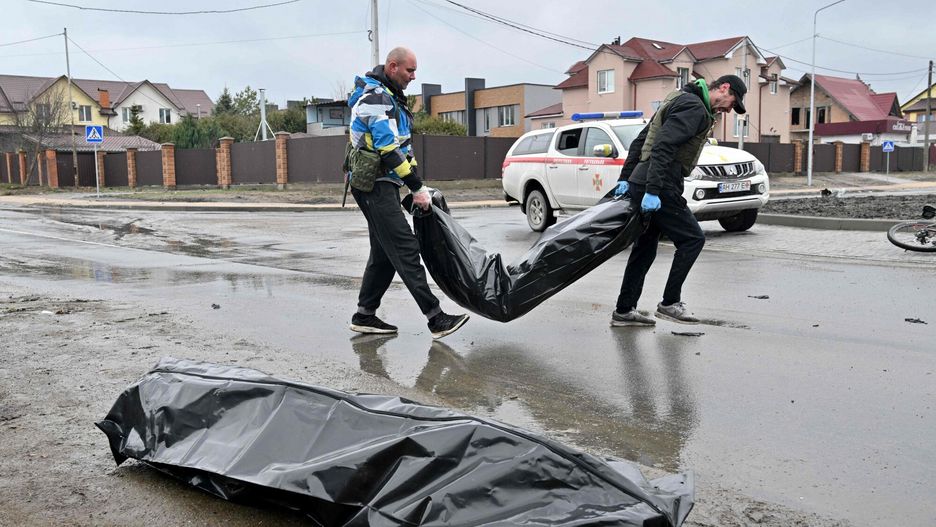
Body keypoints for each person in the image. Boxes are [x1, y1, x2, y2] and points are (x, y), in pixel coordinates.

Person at [346, 47, 469, 339]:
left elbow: (404, 149)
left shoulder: (392, 99)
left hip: (383, 183)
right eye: (409, 71)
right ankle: (435, 318)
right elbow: (388, 149)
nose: (414, 77)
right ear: (392, 67)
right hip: (373, 185)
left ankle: (364, 315)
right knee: (404, 247)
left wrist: (418, 186)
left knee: (384, 253)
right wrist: (415, 186)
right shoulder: (375, 99)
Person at [610, 75, 747, 326]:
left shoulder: (678, 98)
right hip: (660, 183)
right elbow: (662, 145)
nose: (729, 109)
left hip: (646, 180)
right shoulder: (694, 108)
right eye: (732, 101)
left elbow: (642, 140)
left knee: (645, 247)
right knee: (693, 239)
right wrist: (652, 190)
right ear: (724, 88)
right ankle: (670, 303)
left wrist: (627, 177)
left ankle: (624, 310)